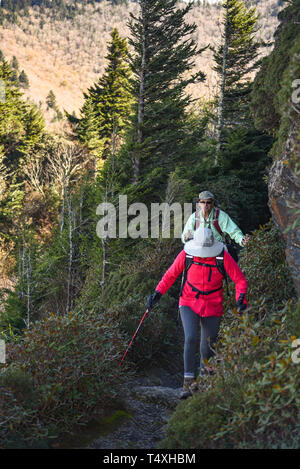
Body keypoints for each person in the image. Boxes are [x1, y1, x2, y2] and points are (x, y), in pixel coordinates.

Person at [147, 226, 248, 399]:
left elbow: (240, 280)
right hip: (188, 301)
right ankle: (187, 383)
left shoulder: (222, 256)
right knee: (191, 337)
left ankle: (202, 384)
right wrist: (157, 293)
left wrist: (241, 300)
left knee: (207, 346)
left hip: (213, 304)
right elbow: (170, 275)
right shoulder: (186, 255)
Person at [182, 190, 250, 248]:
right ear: (199, 203)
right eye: (203, 202)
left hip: (218, 250)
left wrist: (242, 240)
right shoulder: (193, 217)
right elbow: (184, 235)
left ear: (213, 203)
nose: (205, 205)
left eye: (208, 202)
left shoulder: (221, 216)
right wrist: (185, 238)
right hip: (197, 250)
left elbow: (234, 231)